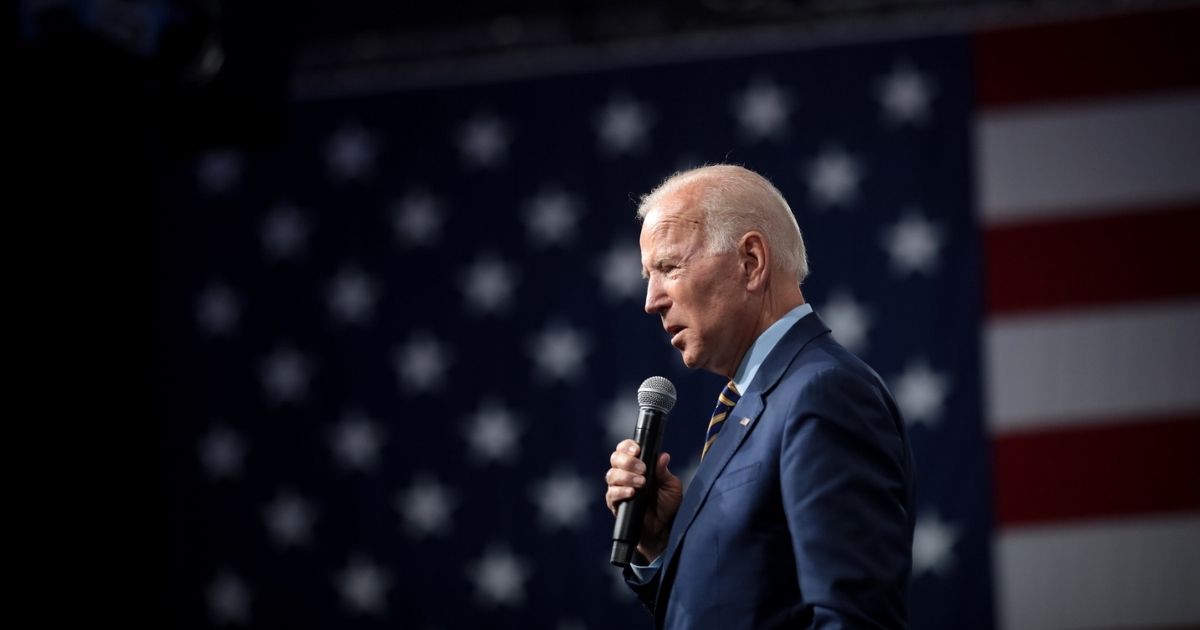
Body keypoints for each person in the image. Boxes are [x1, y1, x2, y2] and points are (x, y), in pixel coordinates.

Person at [604, 164, 915, 629]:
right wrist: (667, 542)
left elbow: (852, 619)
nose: (652, 300)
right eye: (650, 275)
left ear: (750, 262)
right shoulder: (757, 399)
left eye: (669, 267)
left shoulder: (822, 393)